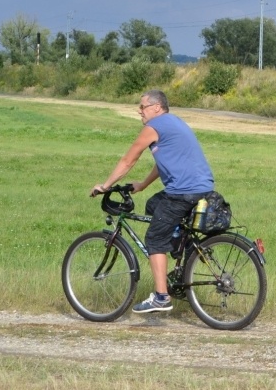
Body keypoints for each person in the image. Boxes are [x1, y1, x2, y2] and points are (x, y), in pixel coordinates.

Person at [90, 89, 214, 314]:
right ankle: (180, 256)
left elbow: (129, 159)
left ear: (157, 107)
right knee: (154, 205)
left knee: (155, 238)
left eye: (143, 107)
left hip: (183, 193)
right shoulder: (173, 123)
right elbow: (165, 160)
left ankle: (161, 297)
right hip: (202, 188)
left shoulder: (154, 127)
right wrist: (144, 185)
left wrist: (105, 186)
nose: (140, 111)